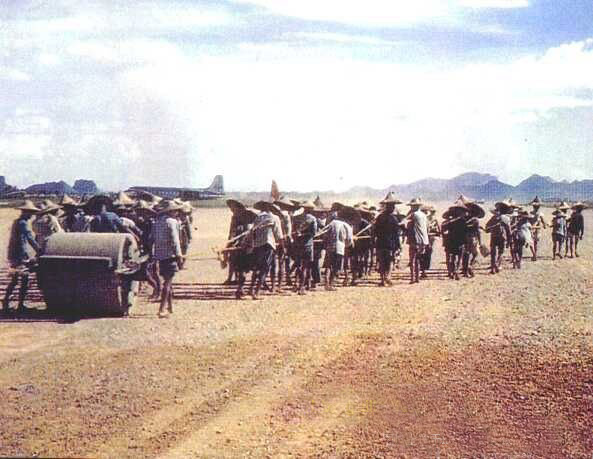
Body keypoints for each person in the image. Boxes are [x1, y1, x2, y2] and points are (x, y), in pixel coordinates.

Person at [3, 201, 41, 313]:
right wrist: (39, 250)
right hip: (20, 256)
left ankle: (6, 302)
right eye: (31, 213)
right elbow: (29, 238)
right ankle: (20, 305)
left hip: (14, 255)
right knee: (24, 279)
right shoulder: (23, 223)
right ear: (26, 212)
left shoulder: (17, 222)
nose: (32, 215)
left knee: (14, 280)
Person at [151, 200, 183, 317]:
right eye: (175, 211)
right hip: (170, 256)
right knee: (168, 283)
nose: (177, 213)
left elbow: (152, 238)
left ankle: (170, 307)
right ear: (171, 211)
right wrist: (179, 255)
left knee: (167, 281)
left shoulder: (157, 222)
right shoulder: (172, 222)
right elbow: (175, 240)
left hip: (160, 256)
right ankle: (161, 310)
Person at [249, 201, 284, 300]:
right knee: (264, 269)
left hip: (257, 246)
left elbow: (253, 232)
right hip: (268, 245)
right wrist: (283, 248)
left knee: (256, 268)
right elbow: (279, 235)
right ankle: (256, 292)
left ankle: (251, 289)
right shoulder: (274, 218)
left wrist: (253, 244)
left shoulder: (258, 217)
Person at [373, 197, 401, 286]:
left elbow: (375, 231)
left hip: (380, 243)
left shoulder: (379, 217)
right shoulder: (394, 219)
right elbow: (396, 234)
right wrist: (398, 245)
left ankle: (382, 280)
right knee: (390, 261)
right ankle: (388, 277)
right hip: (390, 244)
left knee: (382, 262)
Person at [323, 211, 354, 291]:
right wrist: (346, 244)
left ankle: (326, 282)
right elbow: (349, 239)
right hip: (340, 248)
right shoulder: (347, 226)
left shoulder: (332, 223)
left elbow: (324, 233)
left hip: (330, 247)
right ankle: (331, 283)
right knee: (336, 266)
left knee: (328, 265)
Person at [293, 201, 317, 295]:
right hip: (307, 244)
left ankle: (296, 283)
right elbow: (313, 233)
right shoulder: (312, 219)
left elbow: (294, 231)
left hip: (297, 244)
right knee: (305, 267)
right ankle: (301, 287)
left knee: (298, 265)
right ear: (310, 209)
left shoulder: (296, 218)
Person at [406, 198, 429, 284]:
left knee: (412, 260)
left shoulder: (413, 214)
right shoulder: (424, 215)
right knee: (418, 259)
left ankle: (412, 278)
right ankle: (417, 277)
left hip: (414, 240)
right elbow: (427, 228)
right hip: (423, 241)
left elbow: (404, 222)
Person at [485, 206, 512, 274]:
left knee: (493, 253)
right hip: (502, 237)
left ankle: (493, 268)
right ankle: (497, 264)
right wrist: (509, 240)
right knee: (501, 252)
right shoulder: (505, 218)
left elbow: (487, 229)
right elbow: (509, 230)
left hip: (494, 237)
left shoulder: (492, 218)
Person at [420, 205, 440, 277]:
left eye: (434, 212)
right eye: (432, 211)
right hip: (427, 236)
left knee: (428, 253)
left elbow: (438, 230)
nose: (433, 213)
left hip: (431, 237)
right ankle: (423, 270)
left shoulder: (435, 220)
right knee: (425, 253)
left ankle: (424, 270)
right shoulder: (426, 219)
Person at [529, 196, 547, 261]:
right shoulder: (537, 214)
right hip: (535, 230)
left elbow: (543, 222)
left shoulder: (532, 213)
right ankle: (534, 254)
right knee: (534, 243)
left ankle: (534, 255)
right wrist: (545, 225)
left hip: (534, 230)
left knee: (532, 243)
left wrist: (544, 224)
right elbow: (544, 222)